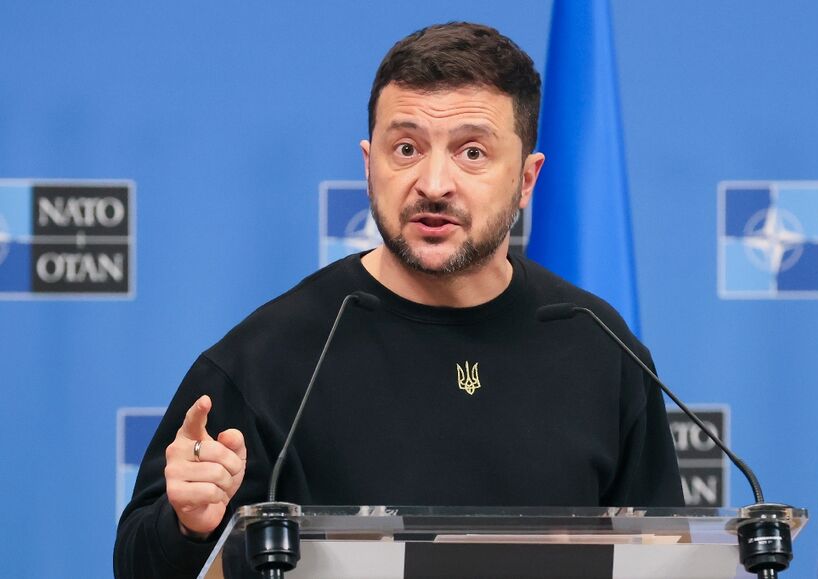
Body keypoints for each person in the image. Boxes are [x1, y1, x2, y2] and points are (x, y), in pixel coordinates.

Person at [114, 21, 683, 579]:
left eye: (472, 153)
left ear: (527, 180)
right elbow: (138, 565)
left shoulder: (598, 345)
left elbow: (669, 560)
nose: (434, 182)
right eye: (406, 148)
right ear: (368, 166)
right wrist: (186, 526)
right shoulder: (268, 357)